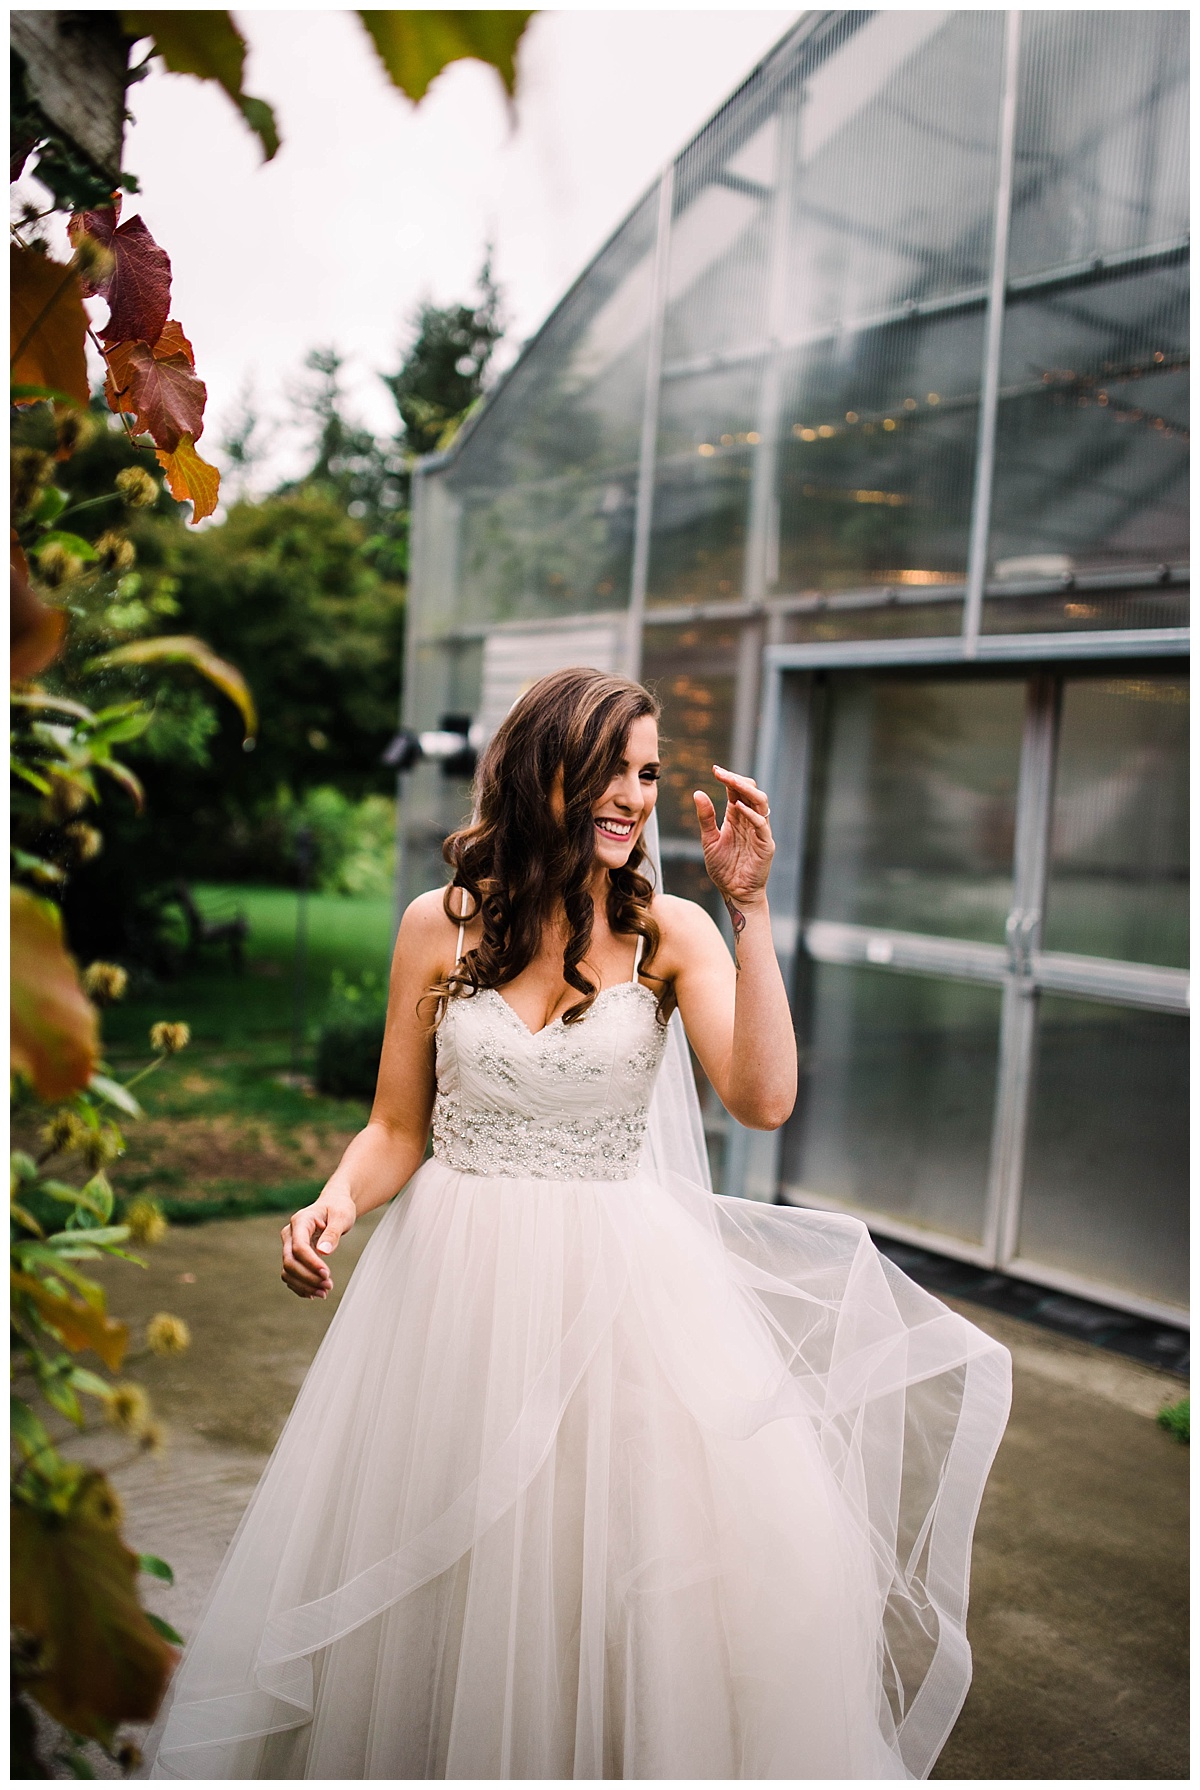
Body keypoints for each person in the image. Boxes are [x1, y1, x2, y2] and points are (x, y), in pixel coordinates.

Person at [151, 667, 1010, 1780]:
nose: (634, 795)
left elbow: (764, 1098)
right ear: (538, 766)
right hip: (448, 1298)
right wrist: (337, 1198)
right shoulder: (439, 925)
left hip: (621, 1300)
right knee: (445, 1571)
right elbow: (396, 1127)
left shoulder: (673, 931)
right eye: (612, 767)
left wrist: (749, 913)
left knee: (607, 1579)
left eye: (649, 773)